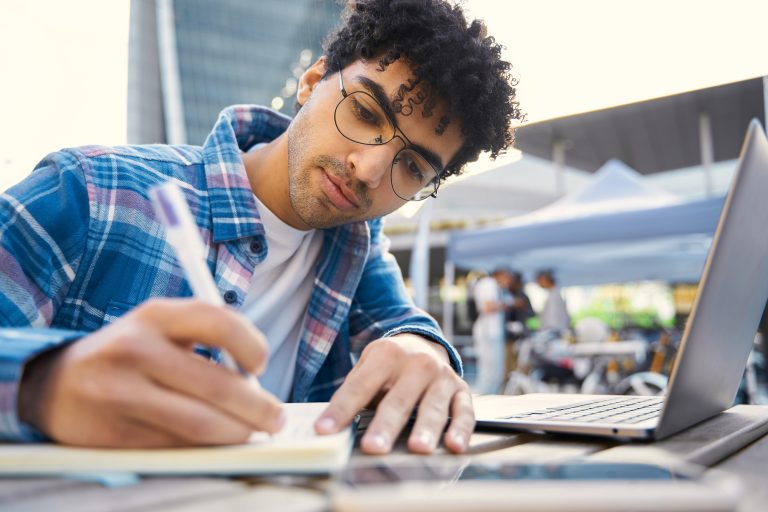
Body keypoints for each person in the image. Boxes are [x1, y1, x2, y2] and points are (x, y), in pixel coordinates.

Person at [0, 0, 520, 455]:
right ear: (312, 82)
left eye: (411, 167)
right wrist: (38, 387)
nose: (369, 169)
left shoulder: (355, 246)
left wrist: (421, 348)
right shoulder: (92, 191)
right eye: (363, 112)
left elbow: (399, 324)